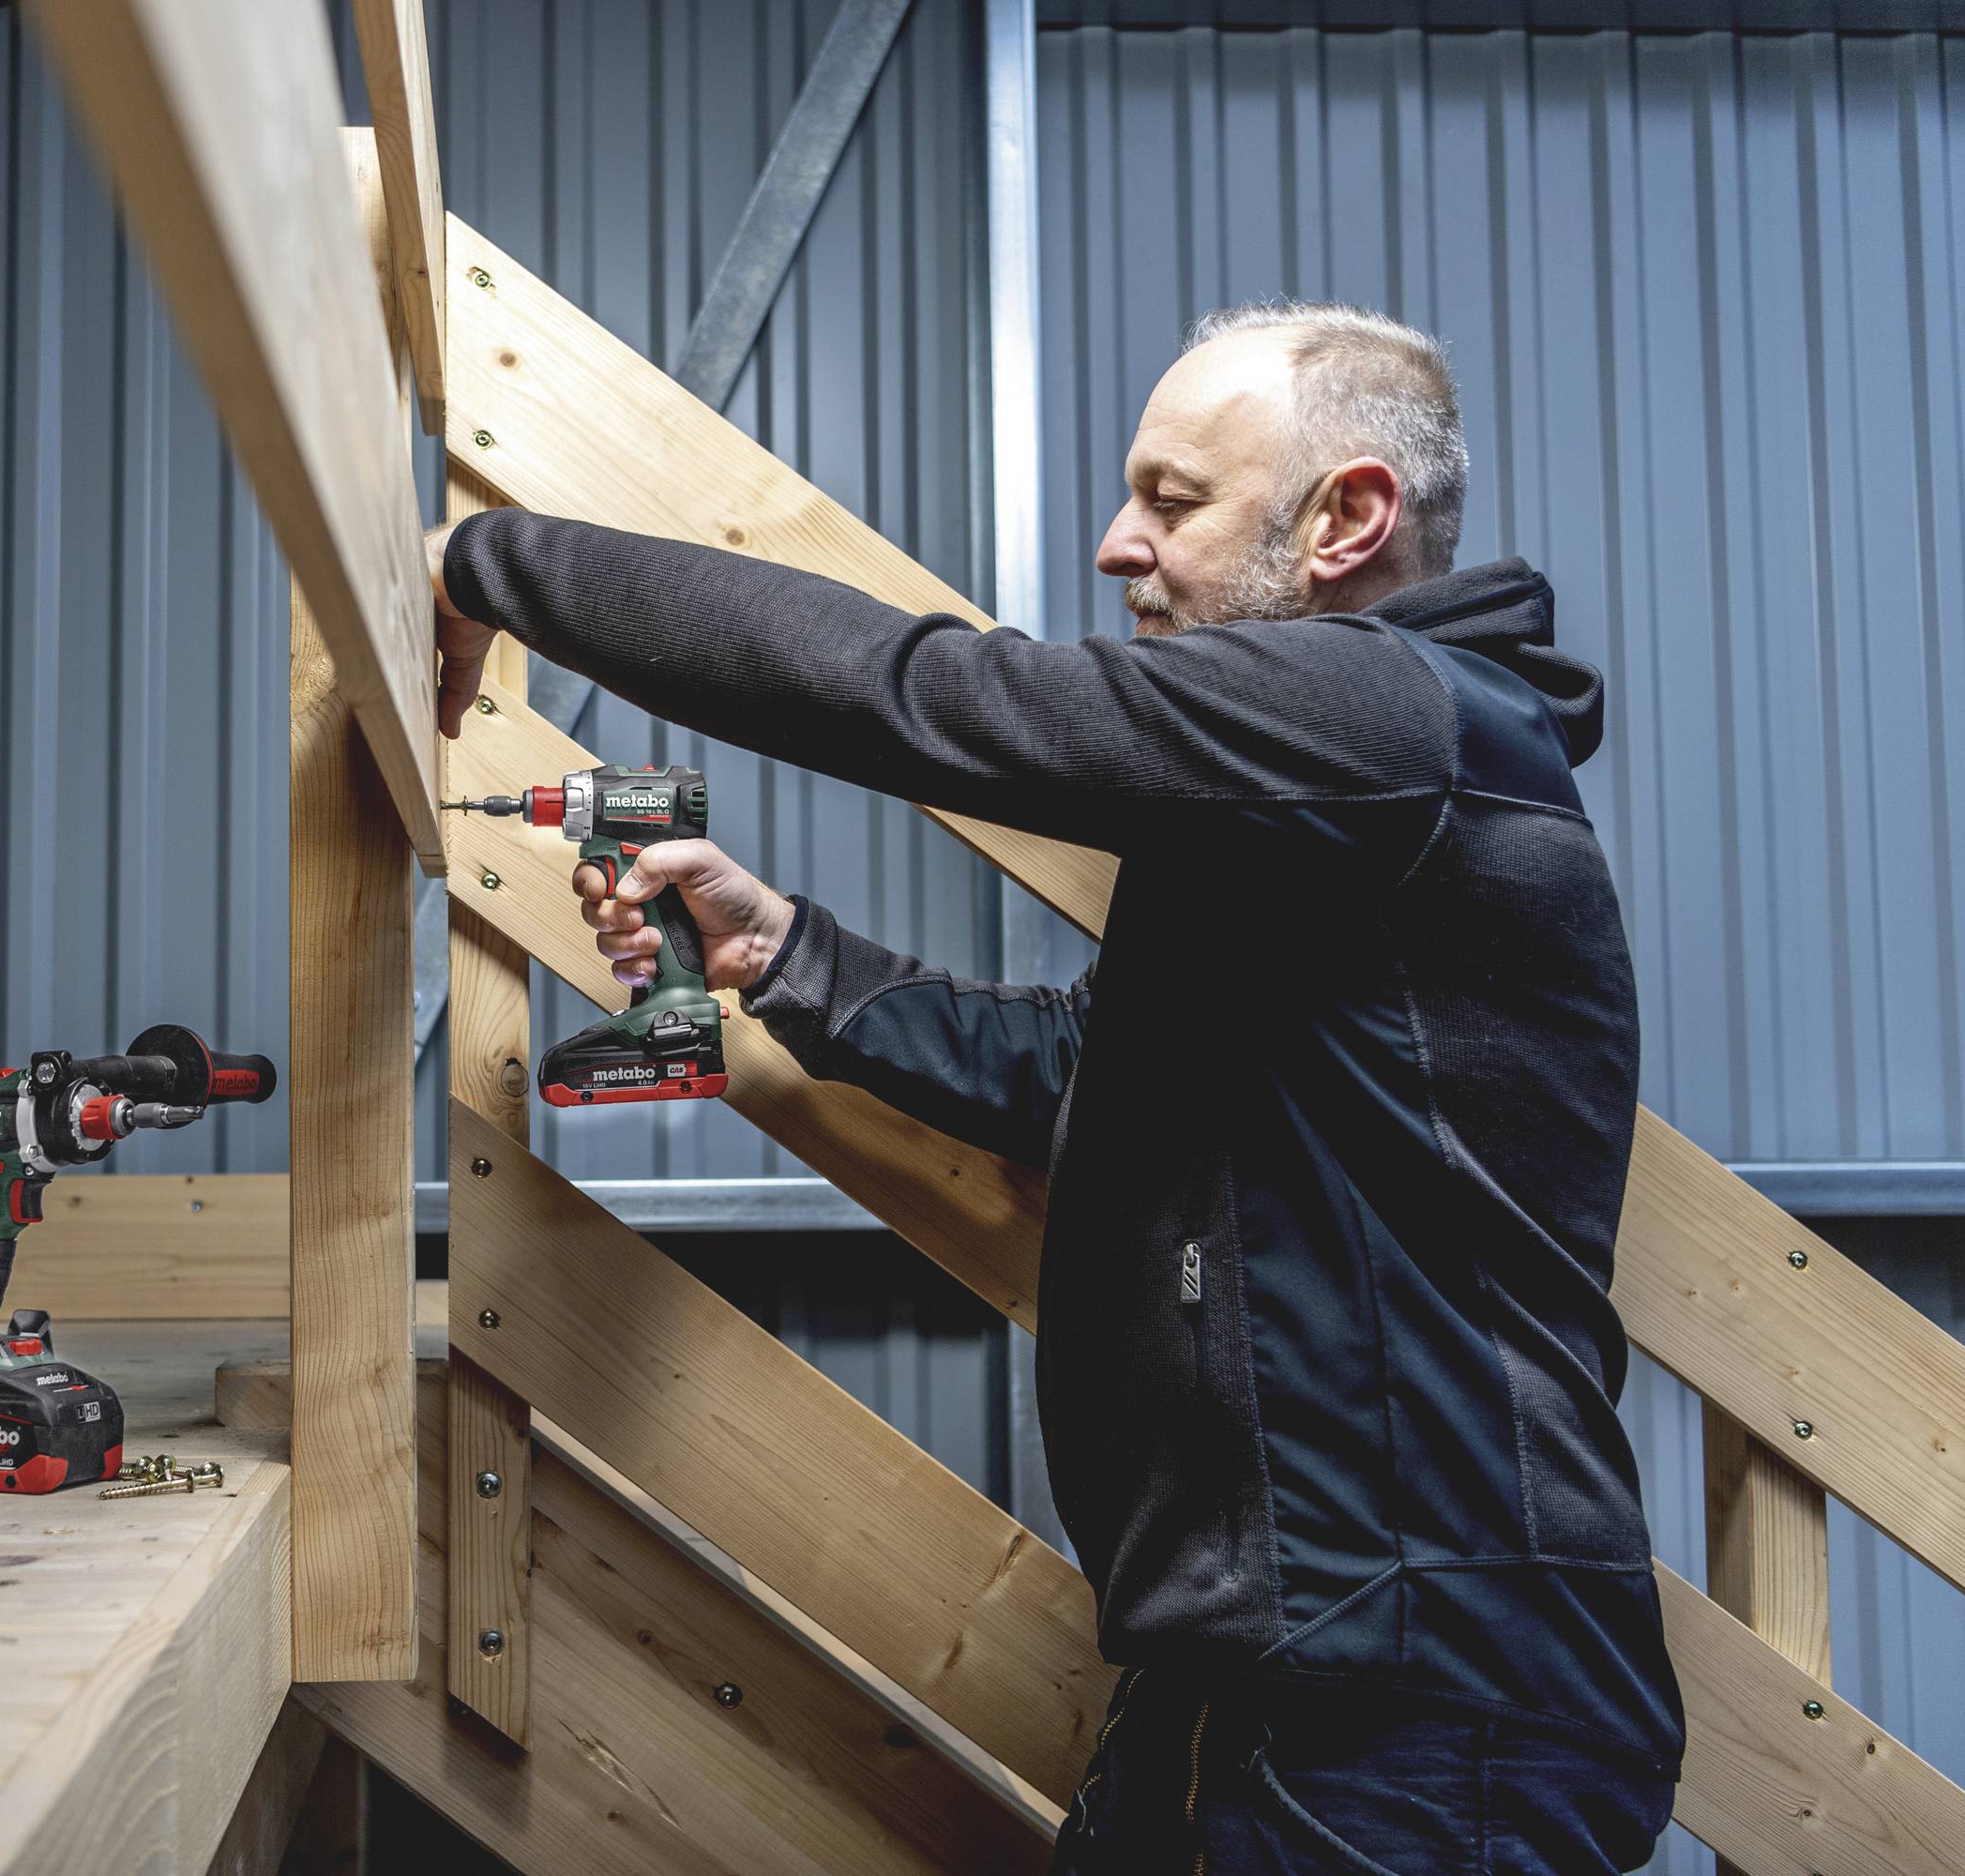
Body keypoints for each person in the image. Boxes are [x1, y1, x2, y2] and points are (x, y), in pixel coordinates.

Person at [425, 301, 1683, 1874]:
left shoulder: (1396, 718)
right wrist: (791, 951)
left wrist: (490, 566)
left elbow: (944, 697)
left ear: (1348, 519)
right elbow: (1100, 1073)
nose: (1113, 544)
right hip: (1256, 1675)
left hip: (1420, 1706)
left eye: (1172, 500)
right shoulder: (1309, 800)